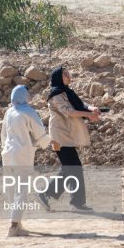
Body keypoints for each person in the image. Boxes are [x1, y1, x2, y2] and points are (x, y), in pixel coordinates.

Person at [38, 66, 100, 212]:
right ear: (59, 77)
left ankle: (47, 194)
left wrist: (91, 109)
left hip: (67, 135)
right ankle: (76, 203)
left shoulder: (67, 92)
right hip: (59, 137)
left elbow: (80, 104)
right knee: (74, 167)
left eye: (68, 74)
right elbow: (68, 111)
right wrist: (89, 115)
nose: (68, 76)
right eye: (65, 74)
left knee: (69, 168)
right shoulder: (55, 95)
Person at [1, 85, 51, 237]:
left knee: (11, 190)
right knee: (21, 191)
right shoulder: (28, 112)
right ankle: (14, 225)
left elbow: (3, 135)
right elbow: (40, 135)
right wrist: (49, 143)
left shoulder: (8, 112)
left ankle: (17, 223)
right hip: (22, 156)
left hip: (7, 155)